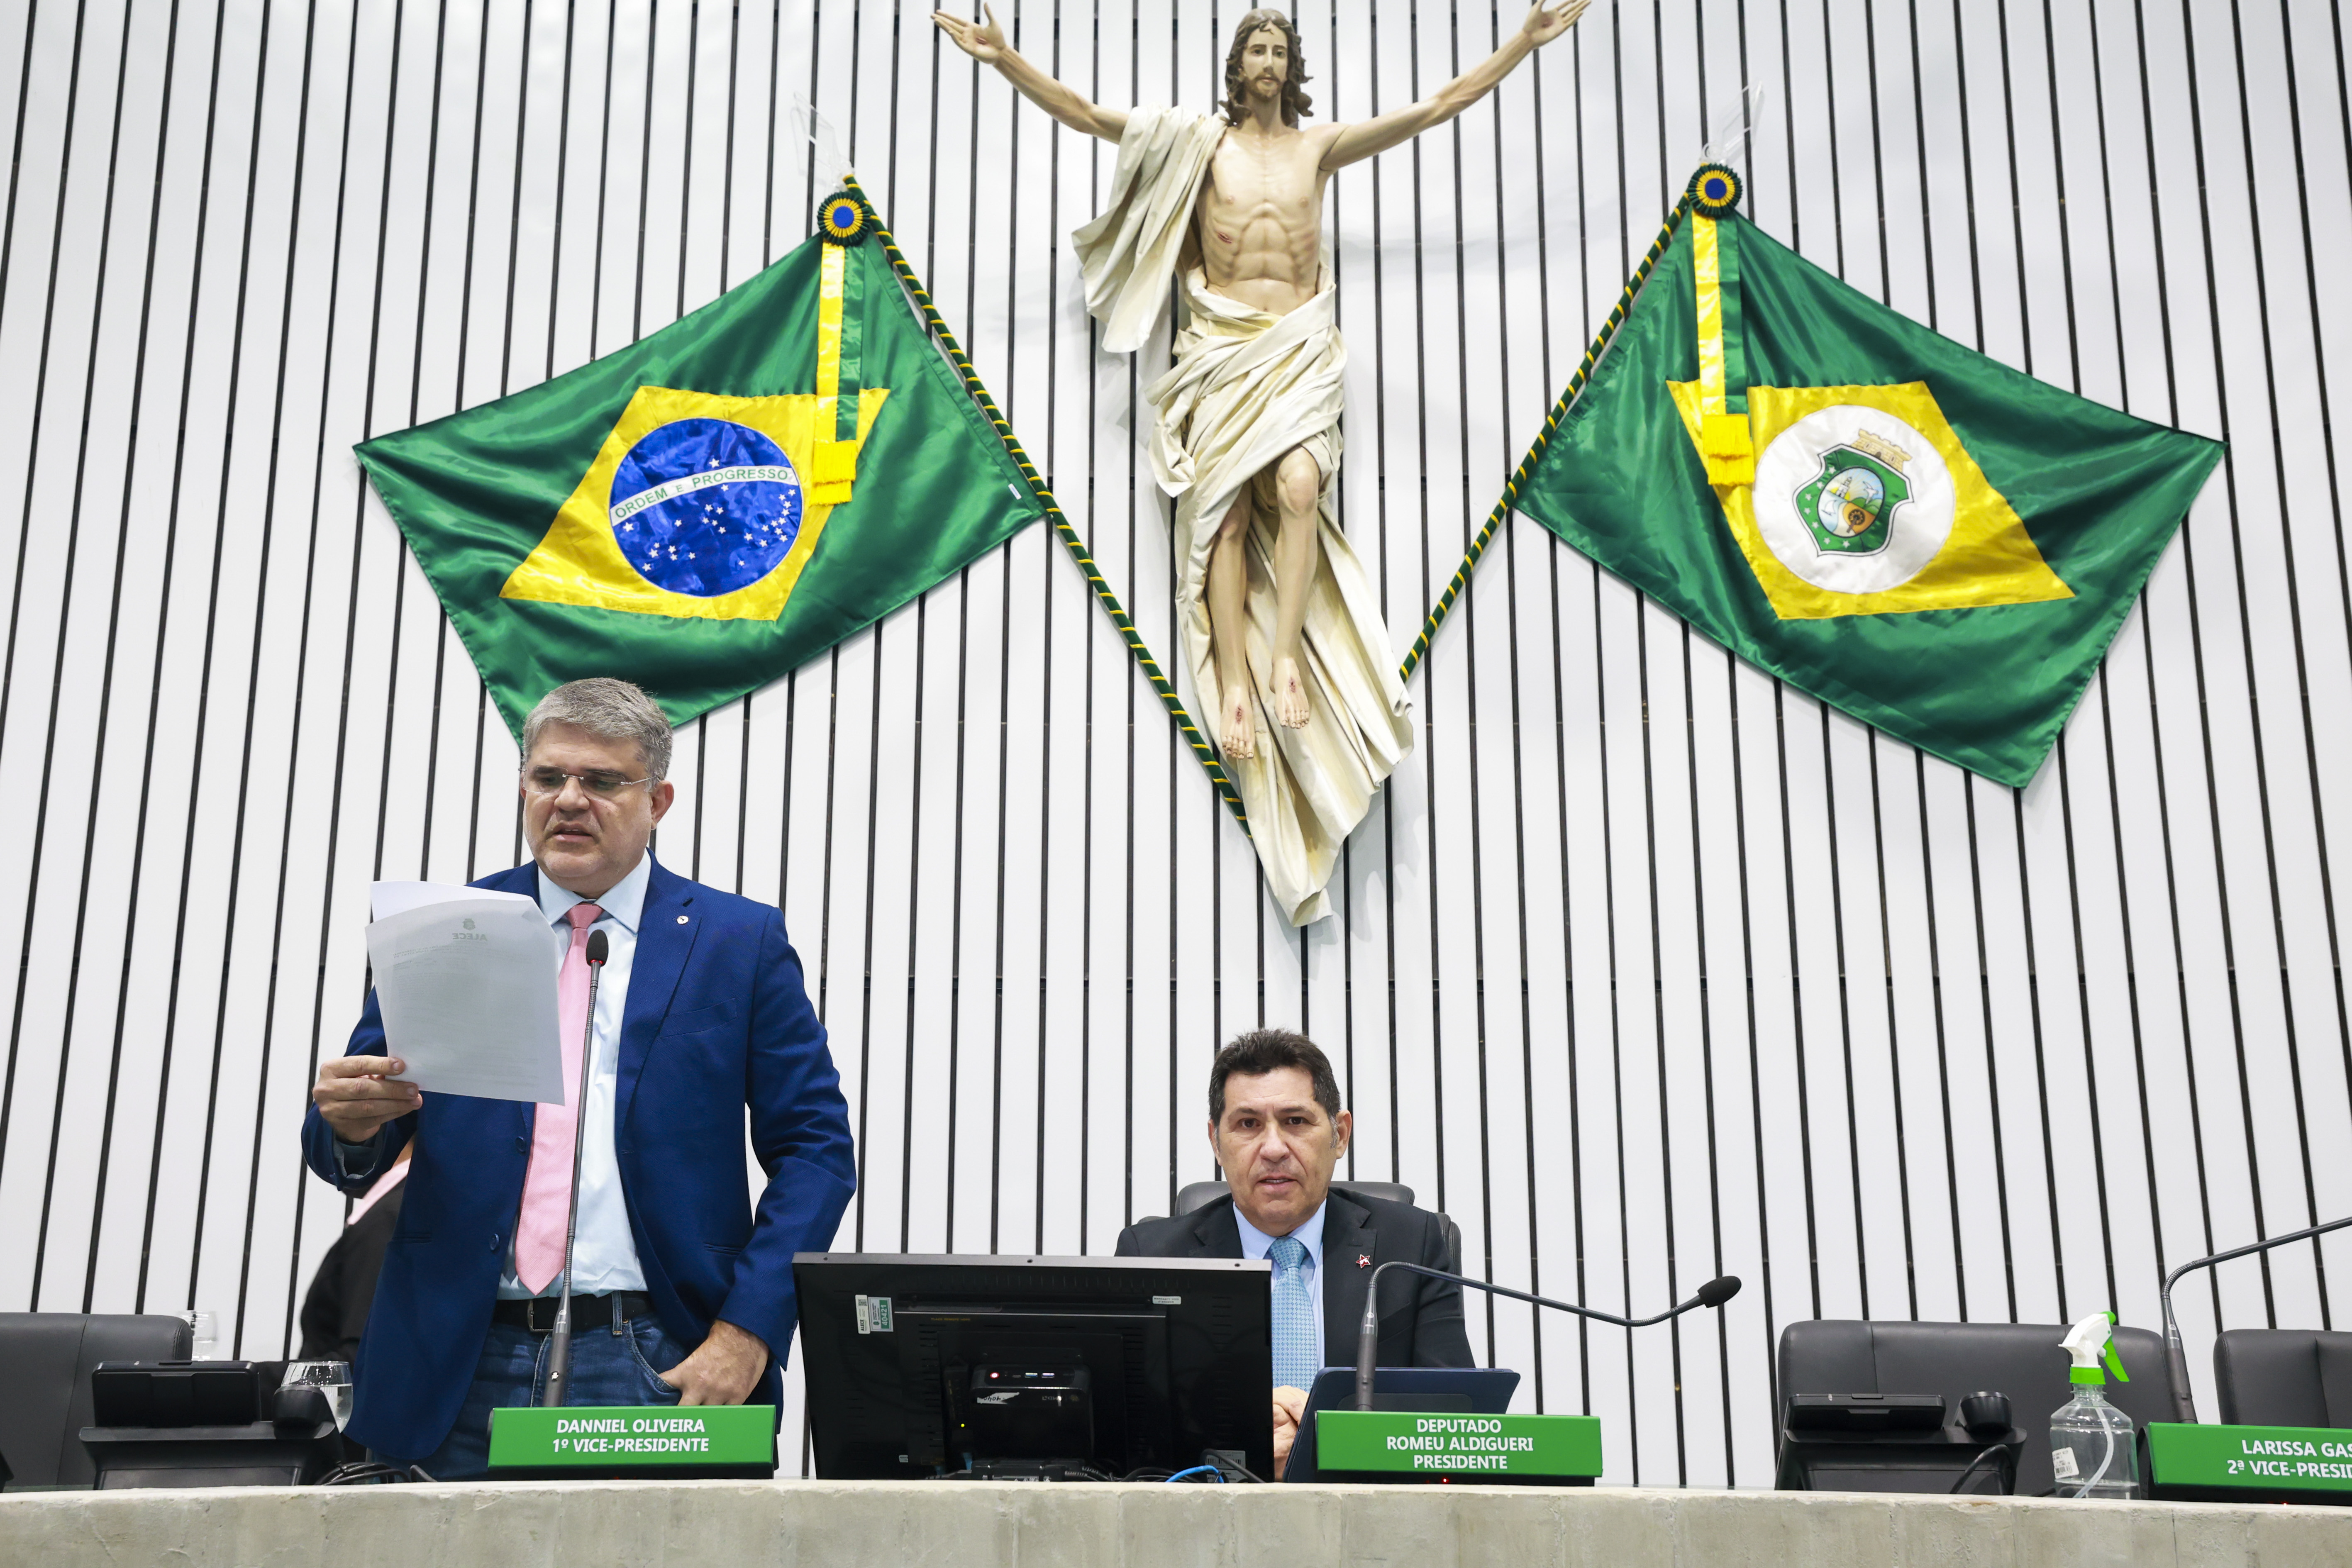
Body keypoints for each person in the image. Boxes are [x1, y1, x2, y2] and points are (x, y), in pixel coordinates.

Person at [933, 2, 1589, 925]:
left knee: (1299, 487)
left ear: (1294, 64)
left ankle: (1283, 659)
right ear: (1234, 65)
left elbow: (1436, 108)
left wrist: (1519, 45)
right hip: (1221, 343)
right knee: (1225, 519)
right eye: (1256, 48)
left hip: (1296, 342)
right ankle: (1236, 677)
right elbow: (1083, 114)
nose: (1270, 61)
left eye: (1281, 48)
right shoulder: (1197, 145)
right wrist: (1002, 58)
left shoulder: (1318, 146)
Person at [301, 678, 856, 1477]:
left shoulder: (738, 941)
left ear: (657, 798)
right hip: (454, 1360)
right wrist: (350, 1121)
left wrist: (749, 1330)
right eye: (548, 777)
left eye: (601, 780)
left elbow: (816, 1151)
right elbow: (352, 1143)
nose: (569, 799)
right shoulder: (447, 926)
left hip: (660, 1356)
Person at [1115, 1028, 1468, 1477]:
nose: (1274, 1148)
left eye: (1296, 1121)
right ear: (1215, 1141)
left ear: (1339, 1134)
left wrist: (1324, 1431)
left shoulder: (1409, 1243)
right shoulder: (1154, 1256)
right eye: (1247, 1124)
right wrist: (1246, 1433)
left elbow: (1455, 1418)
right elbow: (1128, 1434)